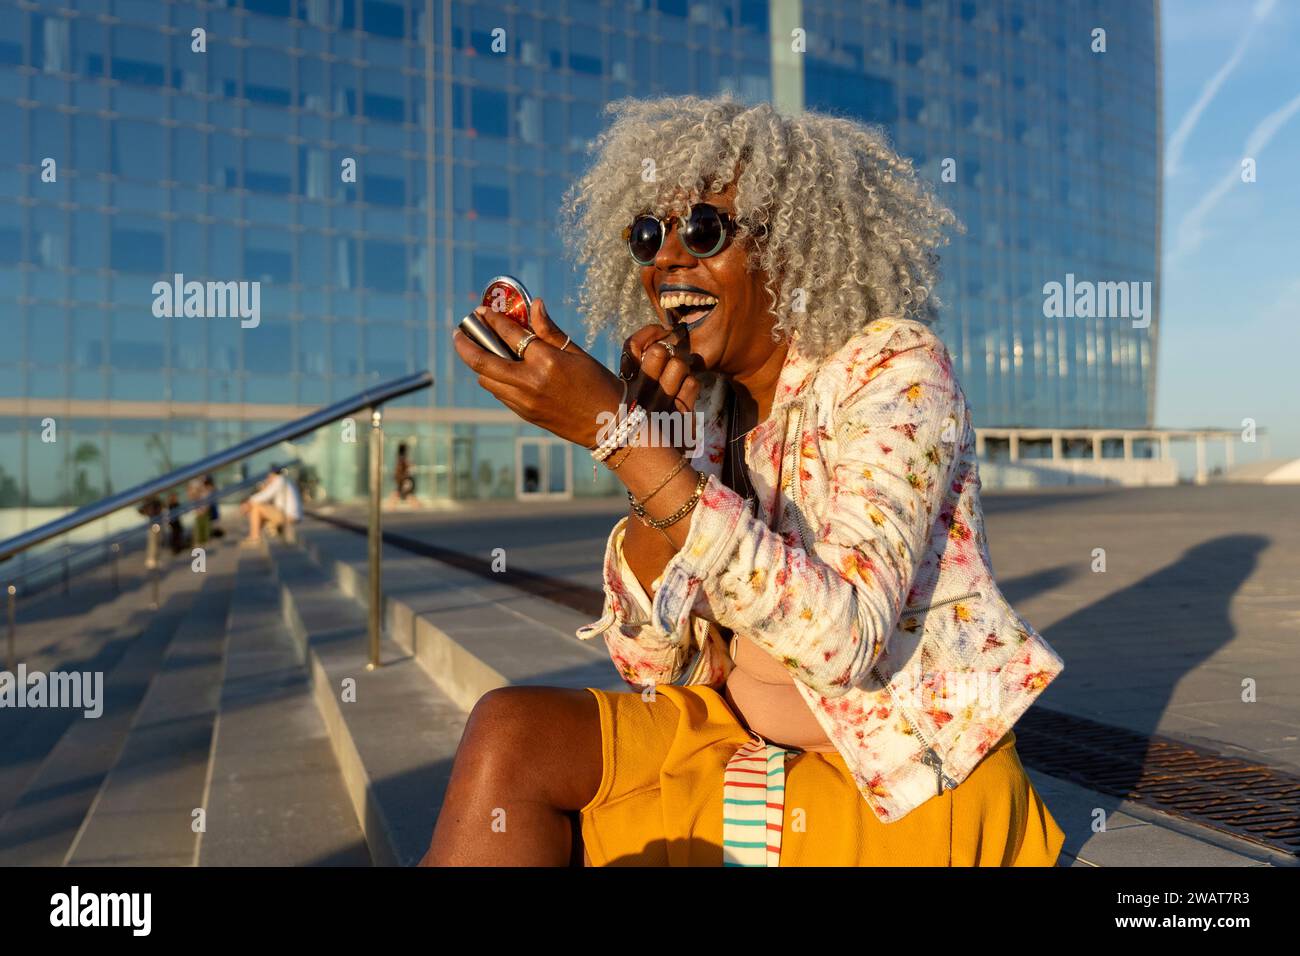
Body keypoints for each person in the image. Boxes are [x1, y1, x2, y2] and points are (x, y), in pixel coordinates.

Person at [425, 94, 1066, 867]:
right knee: (509, 733)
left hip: (895, 774)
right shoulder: (709, 408)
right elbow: (651, 669)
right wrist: (651, 453)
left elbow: (844, 638)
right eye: (647, 236)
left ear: (795, 249)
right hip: (737, 734)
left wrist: (620, 439)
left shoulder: (893, 367)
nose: (666, 258)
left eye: (702, 229)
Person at [239, 465, 302, 546]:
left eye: (269, 475)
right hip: (289, 515)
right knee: (258, 507)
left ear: (272, 474)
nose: (268, 477)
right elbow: (267, 498)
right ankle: (257, 534)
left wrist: (248, 503)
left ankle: (255, 537)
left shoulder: (279, 480)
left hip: (289, 517)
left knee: (256, 507)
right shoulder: (284, 481)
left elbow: (265, 496)